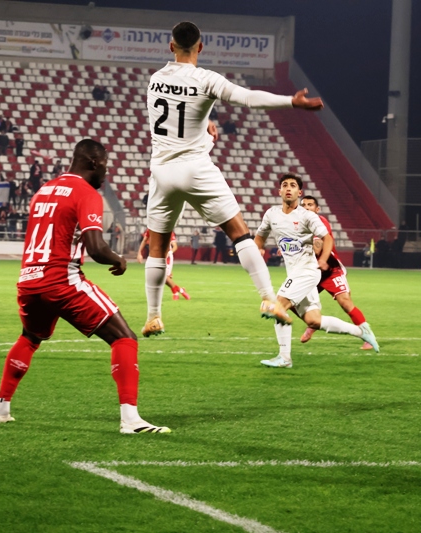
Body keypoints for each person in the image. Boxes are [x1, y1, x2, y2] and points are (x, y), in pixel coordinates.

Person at [141, 21, 324, 338]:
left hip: (162, 171)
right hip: (196, 168)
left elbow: (175, 119)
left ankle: (153, 317)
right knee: (240, 234)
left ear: (171, 46)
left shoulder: (156, 80)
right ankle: (269, 299)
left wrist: (204, 125)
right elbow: (247, 97)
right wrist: (291, 102)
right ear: (200, 47)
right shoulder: (206, 79)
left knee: (157, 248)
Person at [0, 139, 170, 434]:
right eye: (105, 166)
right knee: (124, 338)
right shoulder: (85, 193)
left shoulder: (43, 190)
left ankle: (0, 409)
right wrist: (118, 259)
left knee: (30, 337)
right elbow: (95, 248)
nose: (106, 173)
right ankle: (131, 420)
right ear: (93, 163)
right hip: (61, 280)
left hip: (28, 280)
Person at [254, 175, 379, 368]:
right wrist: (258, 249)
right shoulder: (271, 214)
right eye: (285, 185)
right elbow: (260, 236)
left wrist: (322, 259)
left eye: (293, 185)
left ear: (299, 192)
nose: (288, 188)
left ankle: (284, 358)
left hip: (307, 271)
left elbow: (327, 238)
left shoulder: (307, 216)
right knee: (313, 320)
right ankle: (361, 332)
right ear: (279, 191)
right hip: (295, 273)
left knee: (277, 306)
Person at [299, 195, 378, 350]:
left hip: (330, 270)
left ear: (317, 209)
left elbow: (317, 248)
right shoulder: (297, 226)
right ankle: (314, 324)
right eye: (303, 205)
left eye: (310, 205)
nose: (306, 207)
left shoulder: (320, 222)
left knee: (345, 302)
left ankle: (368, 335)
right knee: (296, 301)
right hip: (311, 272)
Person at [137, 228, 190, 301]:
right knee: (161, 277)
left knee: (163, 276)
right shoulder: (150, 229)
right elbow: (144, 240)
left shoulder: (167, 230)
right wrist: (139, 253)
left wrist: (169, 252)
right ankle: (180, 290)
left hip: (166, 257)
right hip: (155, 256)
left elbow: (175, 246)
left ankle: (175, 292)